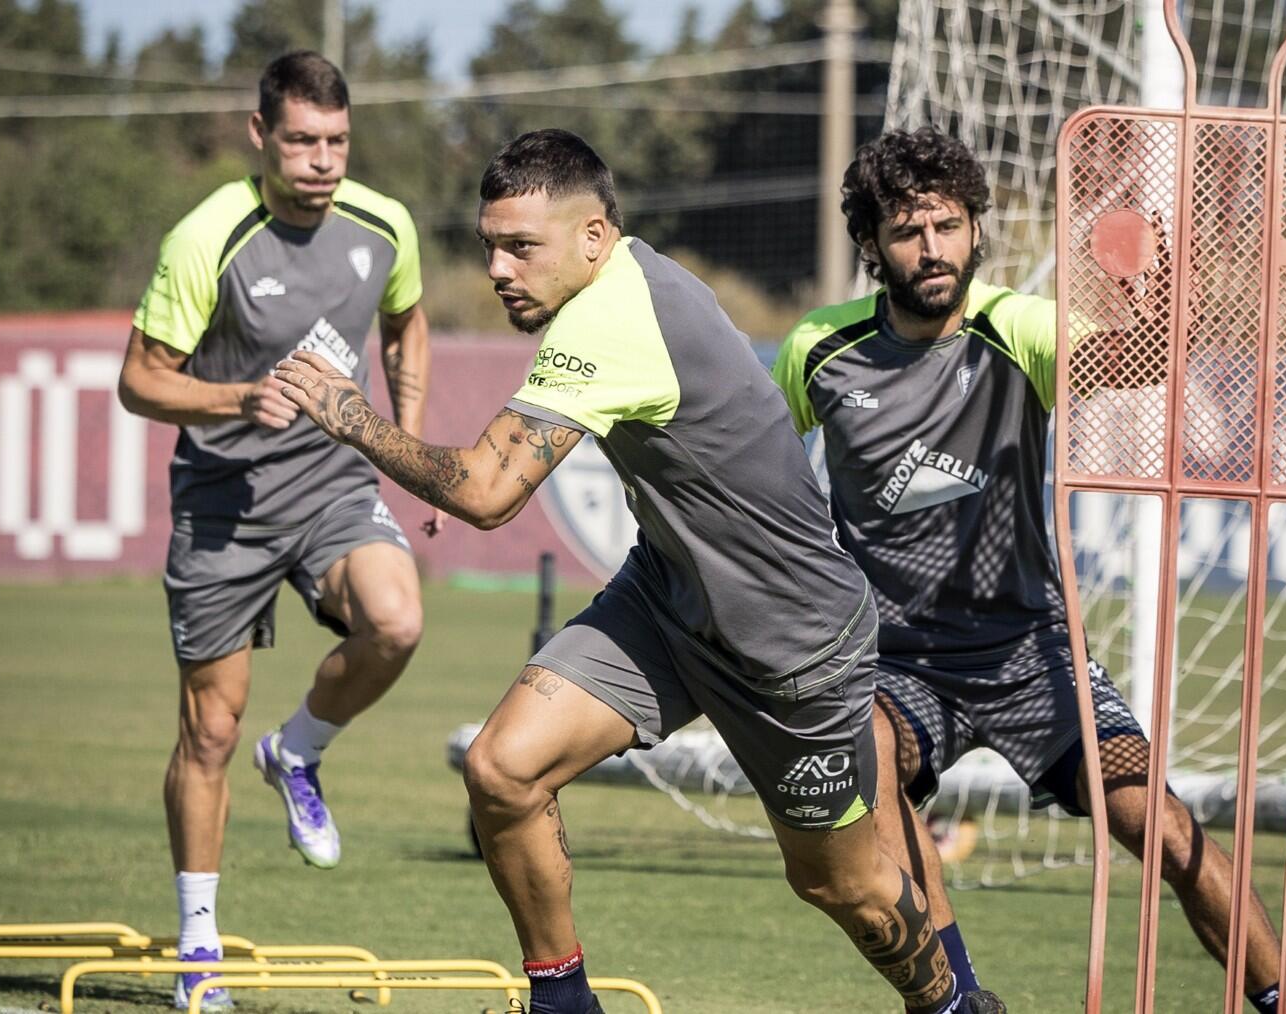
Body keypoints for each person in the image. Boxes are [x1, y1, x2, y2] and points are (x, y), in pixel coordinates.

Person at [274, 128, 1004, 1014]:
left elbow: (486, 492)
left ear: (593, 236)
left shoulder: (615, 317)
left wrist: (350, 415)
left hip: (790, 646)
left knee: (838, 884)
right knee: (503, 769)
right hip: (667, 601)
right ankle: (563, 1004)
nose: (499, 268)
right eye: (490, 245)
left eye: (520, 246)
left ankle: (953, 1006)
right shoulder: (621, 280)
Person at [772, 125, 1286, 1014]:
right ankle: (955, 1000)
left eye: (948, 225)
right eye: (906, 231)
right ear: (870, 243)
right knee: (867, 760)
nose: (931, 248)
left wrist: (1160, 286)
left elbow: (1140, 358)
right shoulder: (816, 350)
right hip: (897, 664)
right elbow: (752, 462)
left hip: (1031, 653)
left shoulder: (1015, 326)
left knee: (1163, 829)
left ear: (974, 229)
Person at [117, 50, 439, 1008]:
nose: (322, 161)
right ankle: (199, 950)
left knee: (397, 621)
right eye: (301, 141)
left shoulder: (384, 224)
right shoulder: (205, 238)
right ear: (260, 134)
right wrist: (236, 397)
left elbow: (406, 325)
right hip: (224, 504)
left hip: (334, 487)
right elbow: (139, 380)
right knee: (210, 730)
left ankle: (296, 751)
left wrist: (406, 448)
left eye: (337, 141)